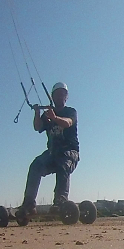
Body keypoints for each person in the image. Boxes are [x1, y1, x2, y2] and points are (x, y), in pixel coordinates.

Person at [20, 82, 79, 215]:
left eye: (62, 94)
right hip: (52, 153)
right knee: (35, 165)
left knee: (63, 163)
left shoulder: (70, 111)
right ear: (52, 97)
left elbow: (68, 122)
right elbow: (38, 127)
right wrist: (37, 113)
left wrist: (55, 117)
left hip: (70, 153)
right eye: (56, 95)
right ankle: (29, 204)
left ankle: (60, 201)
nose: (59, 97)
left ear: (66, 97)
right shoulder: (47, 115)